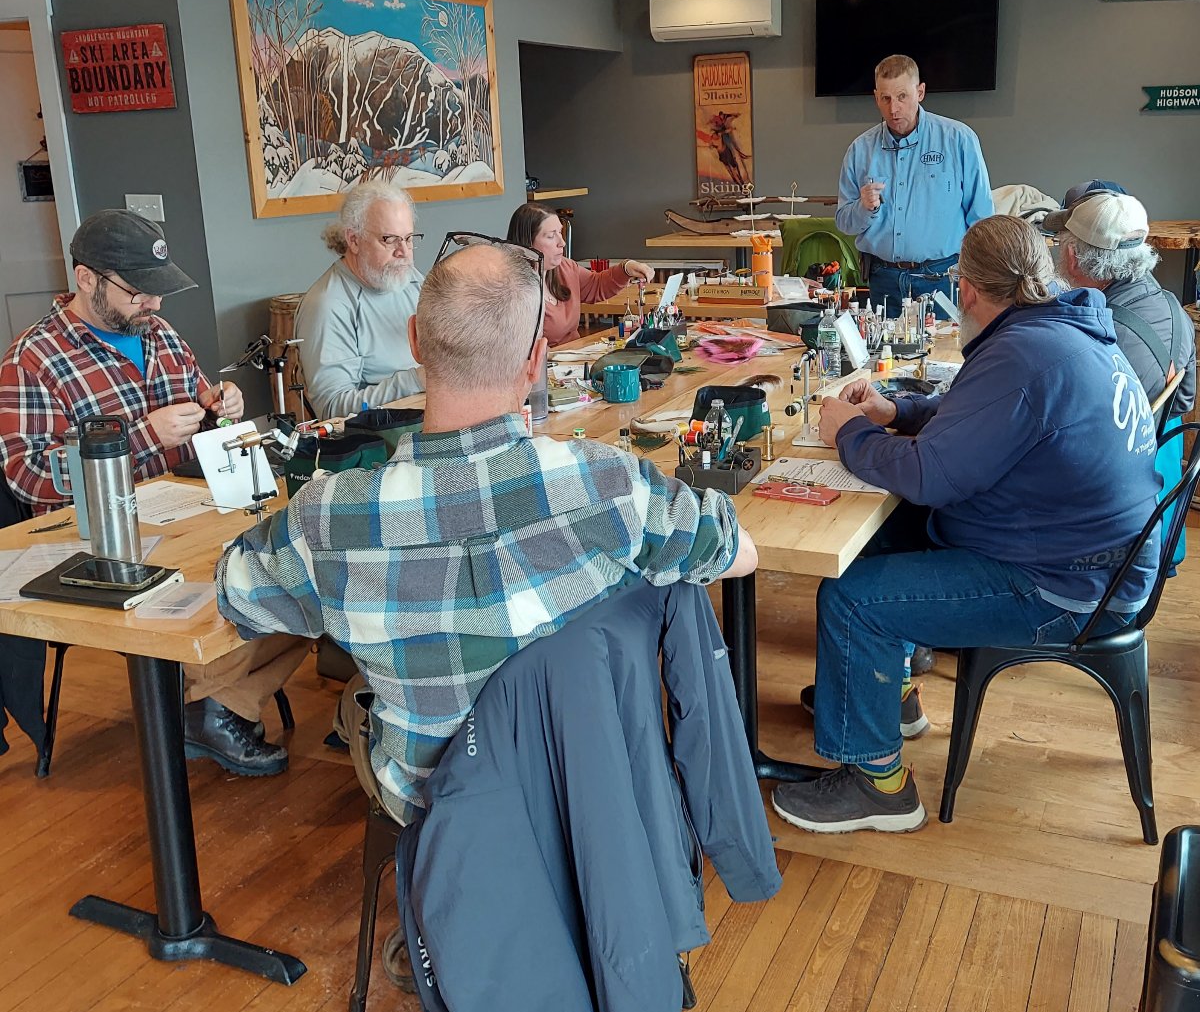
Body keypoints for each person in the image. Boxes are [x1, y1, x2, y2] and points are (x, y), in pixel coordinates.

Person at [216, 239, 756, 827]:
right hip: (591, 798)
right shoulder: (606, 484)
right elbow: (737, 552)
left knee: (356, 700)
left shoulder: (328, 516)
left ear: (415, 340)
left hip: (441, 814)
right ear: (536, 359)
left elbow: (237, 591)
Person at [772, 215, 1161, 834]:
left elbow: (929, 475)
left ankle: (880, 787)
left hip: (1067, 587)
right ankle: (883, 699)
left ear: (968, 289)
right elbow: (980, 416)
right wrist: (897, 409)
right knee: (885, 535)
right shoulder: (1054, 329)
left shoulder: (1026, 353)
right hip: (1094, 557)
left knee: (851, 599)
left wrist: (850, 432)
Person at [0, 209, 302, 776]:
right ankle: (213, 702)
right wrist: (141, 438)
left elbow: (197, 402)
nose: (155, 305)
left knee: (300, 569)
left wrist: (222, 405)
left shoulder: (157, 333)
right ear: (87, 279)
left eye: (159, 292)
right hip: (97, 547)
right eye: (140, 292)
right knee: (252, 590)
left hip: (183, 516)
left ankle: (214, 702)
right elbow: (29, 476)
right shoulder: (33, 360)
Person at [835, 54, 993, 316]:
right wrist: (863, 207)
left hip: (943, 278)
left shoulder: (958, 139)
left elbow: (982, 218)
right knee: (883, 356)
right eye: (885, 99)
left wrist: (981, 280)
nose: (893, 108)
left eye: (902, 97)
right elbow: (844, 222)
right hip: (883, 279)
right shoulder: (860, 150)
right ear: (876, 98)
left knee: (944, 355)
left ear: (920, 92)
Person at [1045, 186, 1195, 417]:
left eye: (1060, 243)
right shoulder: (1175, 309)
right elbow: (1183, 402)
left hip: (1103, 450)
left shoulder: (1091, 335)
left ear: (1073, 257)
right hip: (1153, 445)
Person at [296, 184, 425, 418]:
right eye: (389, 239)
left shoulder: (409, 279)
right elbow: (332, 410)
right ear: (354, 240)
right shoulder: (328, 306)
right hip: (380, 443)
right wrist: (415, 380)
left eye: (408, 238)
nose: (404, 252)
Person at [506, 204, 654, 346]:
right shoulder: (511, 289)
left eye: (560, 232)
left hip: (573, 361)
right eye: (551, 236)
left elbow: (596, 285)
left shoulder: (565, 267)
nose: (562, 242)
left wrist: (626, 268)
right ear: (527, 244)